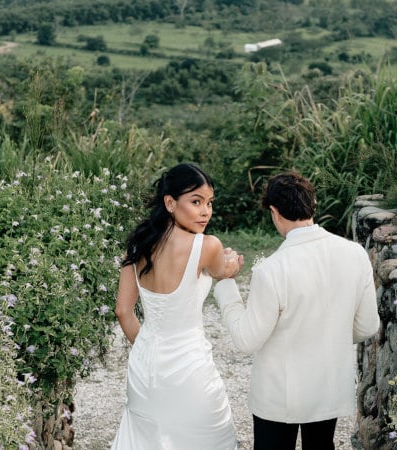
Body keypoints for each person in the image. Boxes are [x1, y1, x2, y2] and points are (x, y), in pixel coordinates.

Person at [214, 171, 380, 450]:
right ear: (313, 205)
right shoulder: (355, 254)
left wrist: (226, 284)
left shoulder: (272, 269)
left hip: (280, 395)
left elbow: (246, 340)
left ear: (274, 212)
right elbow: (367, 326)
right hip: (328, 388)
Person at [111, 163, 243, 450]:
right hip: (189, 366)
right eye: (196, 202)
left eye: (209, 203)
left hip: (145, 367)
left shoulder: (137, 246)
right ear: (170, 202)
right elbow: (223, 270)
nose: (205, 211)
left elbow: (123, 311)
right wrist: (232, 263)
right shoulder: (208, 246)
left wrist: (147, 344)